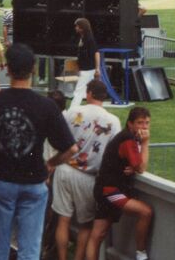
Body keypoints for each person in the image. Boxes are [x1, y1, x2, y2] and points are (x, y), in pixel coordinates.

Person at [0, 43, 77, 260]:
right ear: (33, 68)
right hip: (35, 183)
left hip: (3, 181)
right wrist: (51, 164)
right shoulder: (46, 106)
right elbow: (71, 149)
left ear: (7, 68)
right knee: (30, 249)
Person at [54, 80, 121, 260]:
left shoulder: (73, 112)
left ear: (89, 93)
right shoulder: (113, 122)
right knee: (85, 225)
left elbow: (61, 138)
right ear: (104, 96)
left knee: (63, 220)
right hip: (88, 176)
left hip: (65, 169)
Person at [86, 107, 152, 260]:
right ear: (130, 124)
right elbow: (141, 167)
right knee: (145, 212)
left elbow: (133, 164)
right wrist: (146, 142)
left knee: (98, 234)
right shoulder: (128, 140)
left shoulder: (127, 137)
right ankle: (141, 254)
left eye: (147, 123)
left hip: (104, 188)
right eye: (140, 123)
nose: (144, 127)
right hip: (110, 191)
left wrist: (133, 167)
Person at [71, 18, 100, 109]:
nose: (75, 28)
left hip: (88, 69)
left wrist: (97, 68)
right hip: (85, 69)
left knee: (78, 91)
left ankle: (72, 110)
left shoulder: (89, 39)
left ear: (82, 28)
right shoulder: (82, 38)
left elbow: (96, 53)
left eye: (77, 26)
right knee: (88, 91)